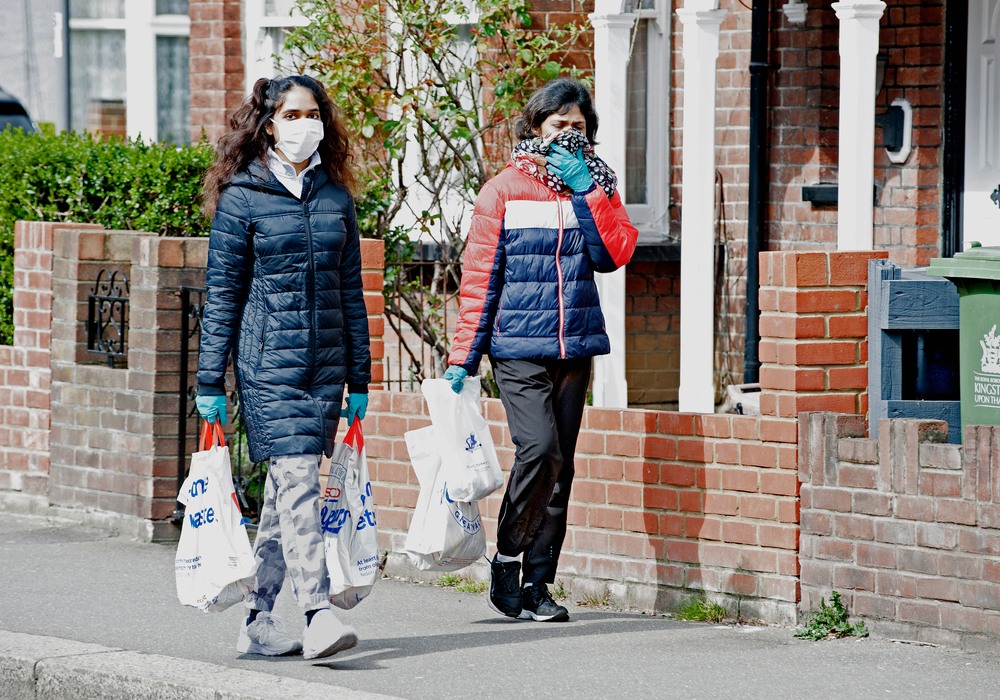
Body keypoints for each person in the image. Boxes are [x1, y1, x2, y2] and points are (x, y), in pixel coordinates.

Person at [444, 78, 638, 622]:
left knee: (563, 470)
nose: (568, 135)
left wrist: (588, 193)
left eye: (578, 126)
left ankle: (538, 586)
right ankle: (507, 556)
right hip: (518, 347)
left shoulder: (597, 185)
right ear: (536, 128)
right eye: (558, 125)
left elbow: (613, 254)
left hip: (573, 347)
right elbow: (480, 277)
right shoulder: (502, 191)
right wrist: (465, 355)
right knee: (541, 451)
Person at [196, 74, 371, 659]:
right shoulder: (243, 199)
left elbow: (351, 293)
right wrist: (209, 381)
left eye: (313, 113)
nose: (305, 124)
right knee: (298, 483)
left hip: (324, 370)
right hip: (269, 366)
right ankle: (318, 613)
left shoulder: (334, 197)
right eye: (292, 115)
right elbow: (221, 295)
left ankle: (258, 620)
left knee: (282, 499)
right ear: (268, 124)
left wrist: (361, 378)